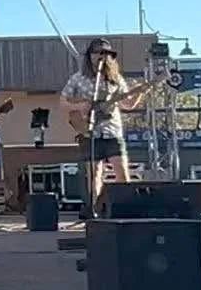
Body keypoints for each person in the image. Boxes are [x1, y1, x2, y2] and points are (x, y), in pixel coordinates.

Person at [62, 38, 159, 206]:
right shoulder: (78, 78)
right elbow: (63, 102)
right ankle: (95, 208)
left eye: (105, 53)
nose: (102, 56)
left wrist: (141, 92)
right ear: (90, 56)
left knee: (121, 172)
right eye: (98, 52)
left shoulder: (116, 79)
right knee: (94, 173)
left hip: (112, 131)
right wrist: (81, 105)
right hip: (89, 132)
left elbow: (127, 104)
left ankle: (124, 207)